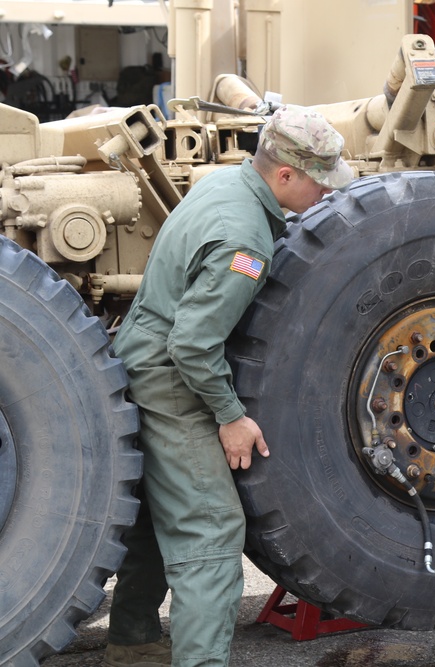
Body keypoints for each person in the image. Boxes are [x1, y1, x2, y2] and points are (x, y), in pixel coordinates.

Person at [103, 105, 353, 667]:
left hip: (140, 360)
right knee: (211, 533)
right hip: (173, 380)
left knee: (154, 515)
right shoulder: (244, 238)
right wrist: (229, 416)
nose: (324, 192)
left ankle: (134, 639)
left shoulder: (226, 187)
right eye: (319, 181)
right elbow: (191, 344)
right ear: (285, 175)